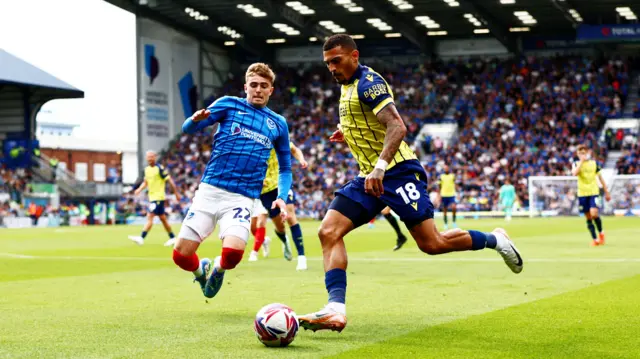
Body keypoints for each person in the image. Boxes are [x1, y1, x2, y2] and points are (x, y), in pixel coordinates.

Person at [298, 34, 524, 333]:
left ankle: (496, 240)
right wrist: (348, 131)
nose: (332, 68)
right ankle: (335, 309)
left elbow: (397, 125)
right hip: (369, 177)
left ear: (355, 55)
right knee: (328, 231)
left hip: (398, 172)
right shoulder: (347, 86)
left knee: (432, 244)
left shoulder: (369, 83)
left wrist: (380, 168)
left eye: (336, 61)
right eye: (327, 63)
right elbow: (368, 120)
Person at [172, 62, 293, 299]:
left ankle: (217, 267)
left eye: (264, 86)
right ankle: (201, 273)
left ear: (271, 90)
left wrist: (282, 197)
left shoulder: (278, 123)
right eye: (254, 85)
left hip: (242, 197)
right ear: (245, 86)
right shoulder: (228, 104)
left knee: (232, 255)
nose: (258, 89)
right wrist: (194, 120)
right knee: (181, 256)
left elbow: (286, 168)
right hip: (210, 191)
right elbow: (188, 129)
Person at [249, 141, 309, 270]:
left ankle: (301, 257)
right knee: (279, 226)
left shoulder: (278, 137)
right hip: (265, 191)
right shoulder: (252, 143)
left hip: (282, 184)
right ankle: (285, 241)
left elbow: (295, 149)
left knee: (290, 216)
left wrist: (302, 160)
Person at [128, 151, 181, 247]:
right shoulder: (147, 170)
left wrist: (176, 193)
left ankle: (141, 237)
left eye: (151, 156)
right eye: (148, 157)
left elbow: (169, 180)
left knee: (150, 216)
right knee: (163, 219)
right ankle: (173, 237)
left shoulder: (159, 168)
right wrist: (139, 189)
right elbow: (146, 182)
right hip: (152, 198)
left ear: (155, 157)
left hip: (158, 198)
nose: (150, 158)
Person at [571, 144, 611, 246]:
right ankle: (595, 239)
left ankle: (601, 233)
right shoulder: (576, 164)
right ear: (578, 154)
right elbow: (574, 174)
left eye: (584, 153)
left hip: (593, 192)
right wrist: (581, 162)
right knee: (588, 217)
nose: (582, 155)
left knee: (594, 213)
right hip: (582, 194)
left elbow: (601, 179)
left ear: (588, 153)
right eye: (580, 153)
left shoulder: (594, 164)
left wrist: (606, 192)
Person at [438, 165, 457, 229]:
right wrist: (439, 194)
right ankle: (445, 224)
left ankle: (454, 222)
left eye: (447, 168)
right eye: (445, 168)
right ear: (444, 169)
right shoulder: (441, 176)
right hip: (444, 195)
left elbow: (455, 184)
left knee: (454, 207)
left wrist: (457, 192)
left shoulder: (452, 176)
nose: (446, 169)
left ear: (448, 168)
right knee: (445, 210)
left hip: (451, 194)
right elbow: (439, 186)